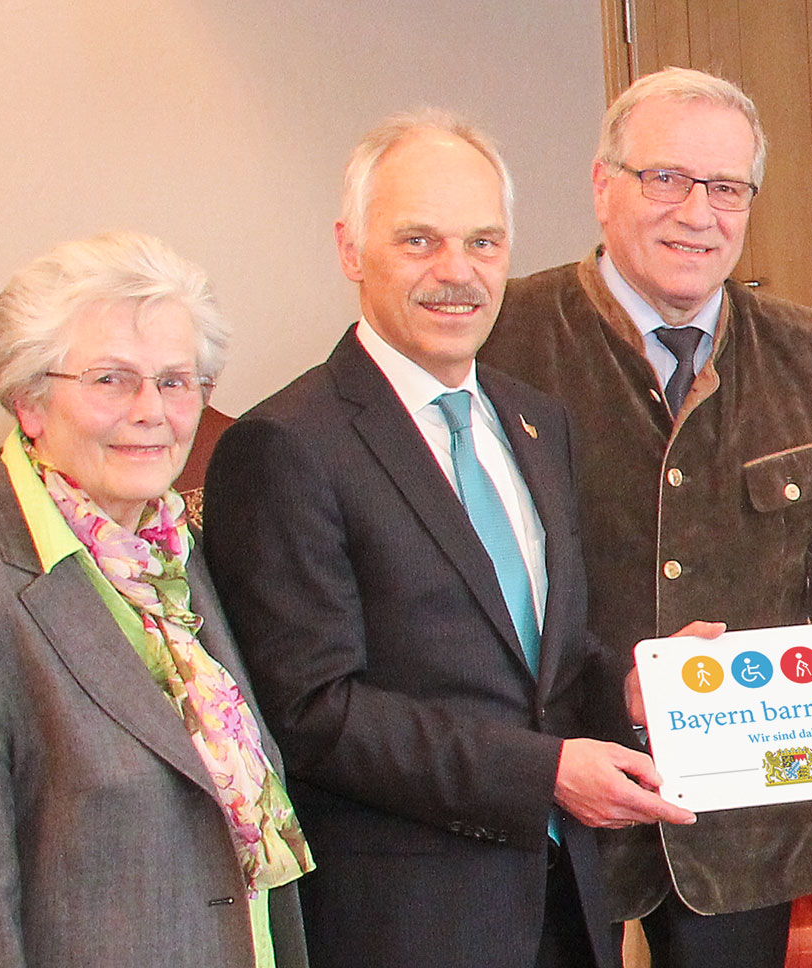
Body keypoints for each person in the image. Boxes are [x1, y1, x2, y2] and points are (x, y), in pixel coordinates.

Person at [203, 109, 694, 968]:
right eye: (419, 241)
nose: (457, 274)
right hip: (406, 923)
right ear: (351, 250)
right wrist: (541, 774)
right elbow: (314, 712)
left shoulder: (537, 422)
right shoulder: (284, 445)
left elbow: (540, 651)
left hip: (563, 905)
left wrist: (631, 687)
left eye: (484, 242)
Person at [480, 67, 812, 968]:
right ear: (603, 186)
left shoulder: (811, 352)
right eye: (666, 179)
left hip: (745, 814)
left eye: (726, 188)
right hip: (558, 806)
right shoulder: (507, 338)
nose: (698, 212)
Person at [0, 231, 312, 967]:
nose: (151, 411)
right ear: (29, 400)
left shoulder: (172, 553)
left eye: (175, 380)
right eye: (109, 380)